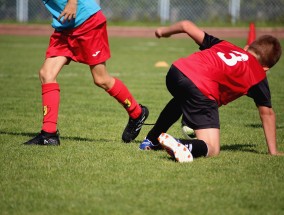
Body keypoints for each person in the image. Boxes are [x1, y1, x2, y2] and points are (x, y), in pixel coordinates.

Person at [139, 20, 283, 162]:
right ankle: (180, 144)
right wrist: (273, 151)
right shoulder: (258, 74)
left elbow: (185, 25)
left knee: (182, 100)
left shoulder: (225, 45)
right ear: (266, 68)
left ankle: (151, 140)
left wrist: (163, 31)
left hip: (176, 72)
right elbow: (267, 113)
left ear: (246, 47)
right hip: (200, 87)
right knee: (213, 149)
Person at [24, 0, 148, 146]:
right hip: (65, 26)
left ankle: (137, 113)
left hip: (87, 21)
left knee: (101, 78)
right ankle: (49, 134)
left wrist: (72, 2)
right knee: (46, 74)